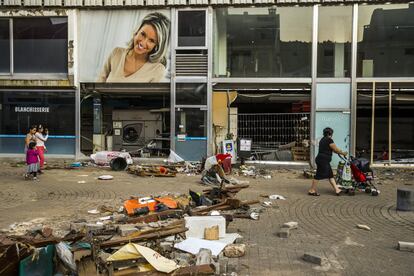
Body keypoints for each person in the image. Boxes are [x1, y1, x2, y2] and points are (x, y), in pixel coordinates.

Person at [98, 12, 170, 83]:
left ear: (157, 45)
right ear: (137, 31)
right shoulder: (116, 53)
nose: (143, 43)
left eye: (151, 40)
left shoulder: (157, 70)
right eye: (143, 34)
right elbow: (99, 85)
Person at [308, 127, 347, 196]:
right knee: (318, 175)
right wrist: (343, 153)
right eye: (332, 133)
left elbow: (332, 150)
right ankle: (312, 190)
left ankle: (337, 190)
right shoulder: (329, 140)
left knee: (330, 175)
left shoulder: (322, 140)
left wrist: (338, 152)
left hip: (321, 159)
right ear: (330, 133)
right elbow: (336, 149)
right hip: (323, 160)